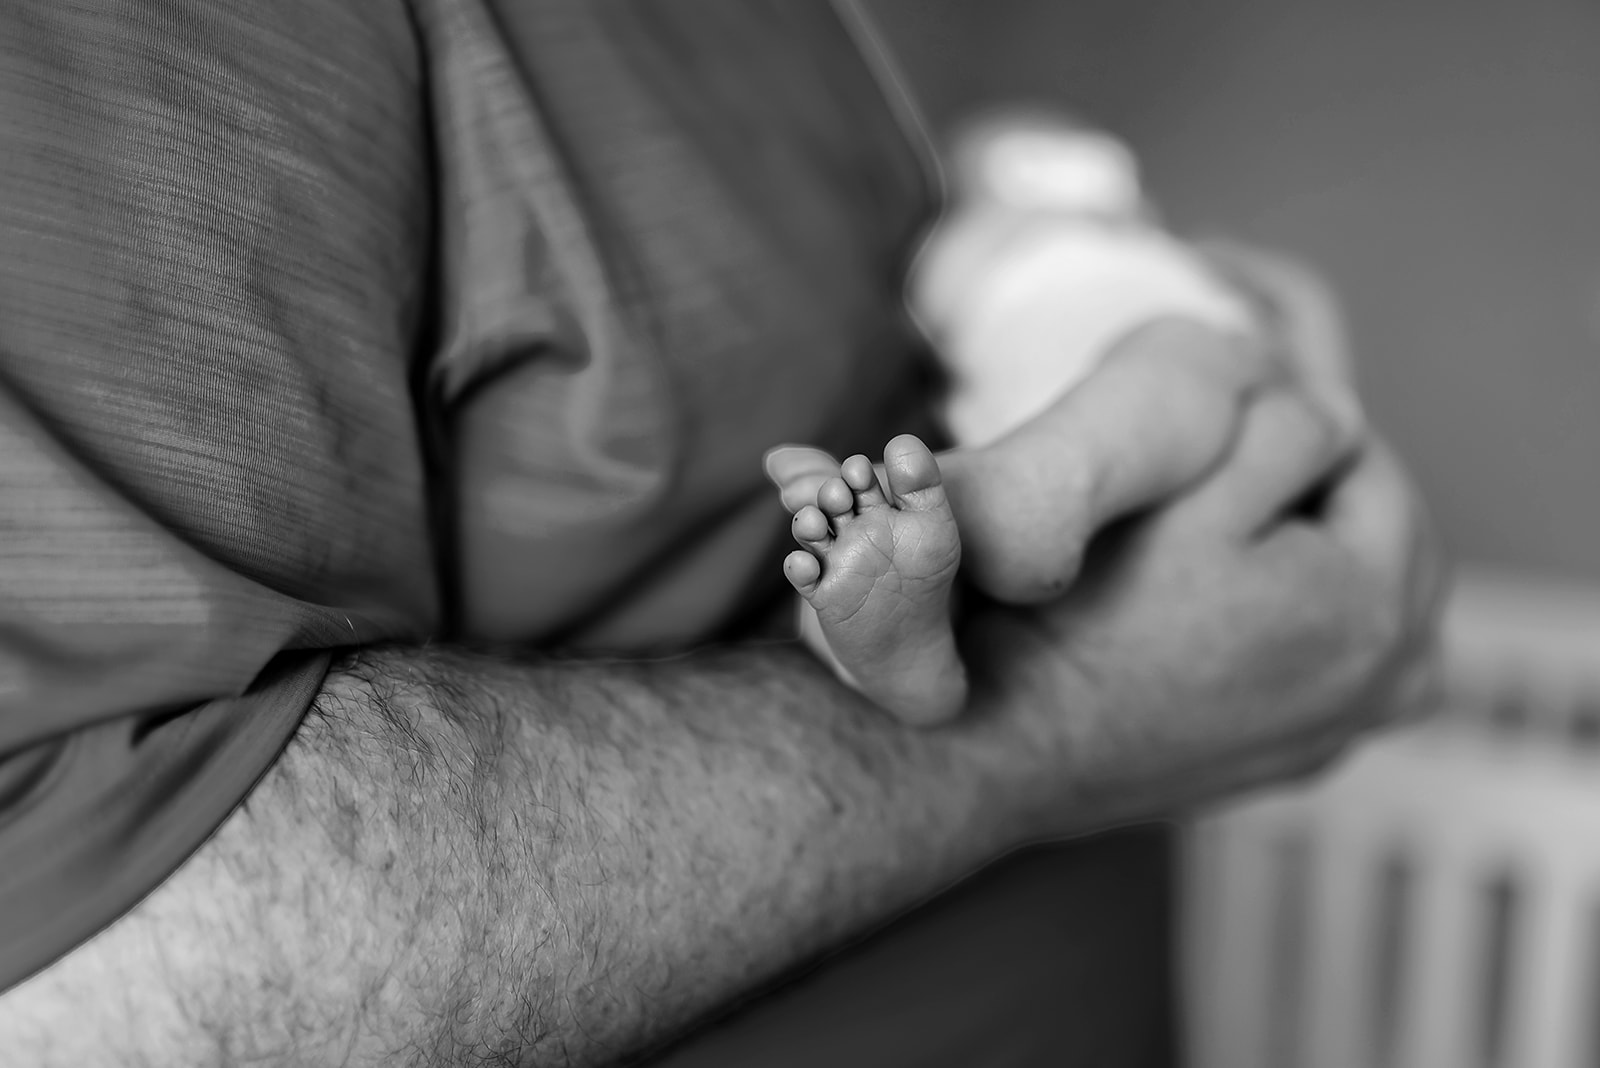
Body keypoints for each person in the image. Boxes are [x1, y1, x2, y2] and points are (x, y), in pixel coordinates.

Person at [0, 2, 1439, 1065]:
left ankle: (963, 541)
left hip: (995, 411)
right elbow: (71, 966)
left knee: (1113, 409)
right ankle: (1017, 504)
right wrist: (1073, 708)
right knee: (1168, 381)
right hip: (1093, 361)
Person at [768, 110, 1266, 724]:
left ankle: (985, 514)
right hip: (1074, 378)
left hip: (1025, 382)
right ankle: (992, 523)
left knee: (939, 526)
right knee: (1188, 362)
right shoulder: (1074, 231)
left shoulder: (985, 232)